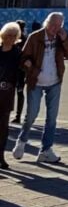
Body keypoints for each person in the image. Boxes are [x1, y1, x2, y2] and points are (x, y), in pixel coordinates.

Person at [13, 12, 68, 164]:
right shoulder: (35, 37)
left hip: (55, 82)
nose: (55, 28)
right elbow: (23, 58)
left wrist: (65, 39)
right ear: (46, 23)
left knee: (52, 119)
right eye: (53, 25)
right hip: (36, 82)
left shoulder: (61, 37)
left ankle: (45, 150)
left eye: (59, 26)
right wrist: (32, 69)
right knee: (31, 115)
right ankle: (21, 142)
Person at [0, 22, 23, 168]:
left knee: (3, 127)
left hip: (7, 92)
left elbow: (21, 72)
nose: (11, 38)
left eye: (14, 36)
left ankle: (0, 156)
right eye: (9, 35)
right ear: (3, 35)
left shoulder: (17, 53)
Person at [12, 19, 27, 125]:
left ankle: (17, 116)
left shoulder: (22, 39)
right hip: (19, 70)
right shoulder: (24, 38)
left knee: (18, 92)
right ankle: (17, 116)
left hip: (18, 70)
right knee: (19, 92)